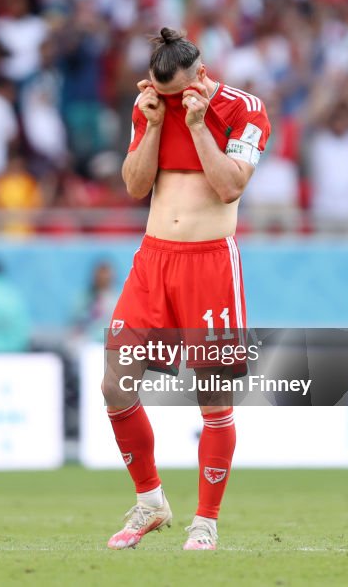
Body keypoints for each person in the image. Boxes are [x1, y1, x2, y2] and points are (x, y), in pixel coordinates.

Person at [102, 29, 270, 551]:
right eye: (161, 93)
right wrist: (151, 124)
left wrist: (197, 126)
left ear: (200, 76)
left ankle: (206, 522)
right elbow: (134, 185)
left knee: (213, 400)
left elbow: (230, 186)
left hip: (210, 265)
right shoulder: (151, 103)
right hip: (154, 259)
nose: (170, 103)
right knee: (115, 385)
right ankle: (150, 502)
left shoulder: (245, 110)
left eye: (176, 95)